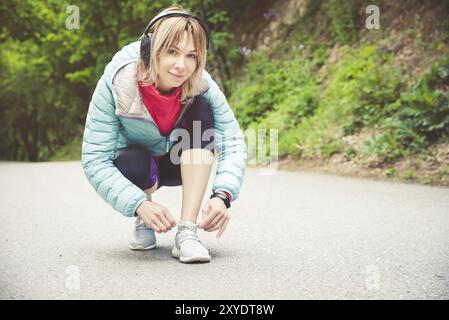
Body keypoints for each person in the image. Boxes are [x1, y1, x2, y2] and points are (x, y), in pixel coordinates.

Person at [81, 6, 247, 263]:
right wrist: (138, 203)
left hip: (180, 162)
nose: (182, 66)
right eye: (172, 52)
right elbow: (94, 159)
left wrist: (222, 196)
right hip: (139, 166)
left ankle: (187, 232)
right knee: (132, 159)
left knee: (201, 110)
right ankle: (145, 221)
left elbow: (233, 141)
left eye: (191, 56)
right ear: (149, 49)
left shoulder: (201, 84)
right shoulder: (116, 82)